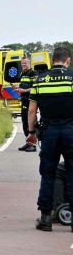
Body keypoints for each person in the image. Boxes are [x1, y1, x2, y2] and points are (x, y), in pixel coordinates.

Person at [28, 47, 73, 232]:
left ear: (53, 60)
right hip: (71, 131)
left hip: (49, 133)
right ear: (67, 61)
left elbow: (32, 110)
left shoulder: (39, 80)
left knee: (48, 174)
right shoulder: (71, 78)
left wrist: (31, 132)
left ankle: (46, 218)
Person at [16, 57, 39, 152]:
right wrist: (18, 88)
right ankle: (28, 142)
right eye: (22, 64)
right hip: (24, 100)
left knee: (31, 122)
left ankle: (33, 145)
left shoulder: (32, 73)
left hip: (31, 101)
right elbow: (24, 86)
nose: (23, 65)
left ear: (29, 63)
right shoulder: (23, 73)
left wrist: (24, 90)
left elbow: (35, 87)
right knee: (25, 123)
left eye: (25, 63)